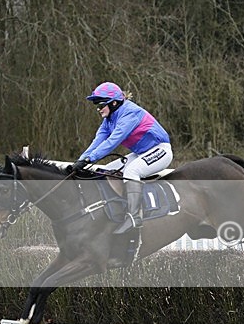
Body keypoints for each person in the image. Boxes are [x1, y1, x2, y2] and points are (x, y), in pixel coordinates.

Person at [73, 82, 173, 233]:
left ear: (114, 103)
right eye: (96, 106)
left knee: (132, 171)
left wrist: (89, 160)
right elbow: (97, 141)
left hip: (161, 150)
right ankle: (117, 208)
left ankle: (134, 217)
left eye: (100, 105)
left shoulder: (129, 113)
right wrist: (81, 160)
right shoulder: (108, 120)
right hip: (141, 153)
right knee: (106, 171)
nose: (98, 109)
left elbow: (112, 142)